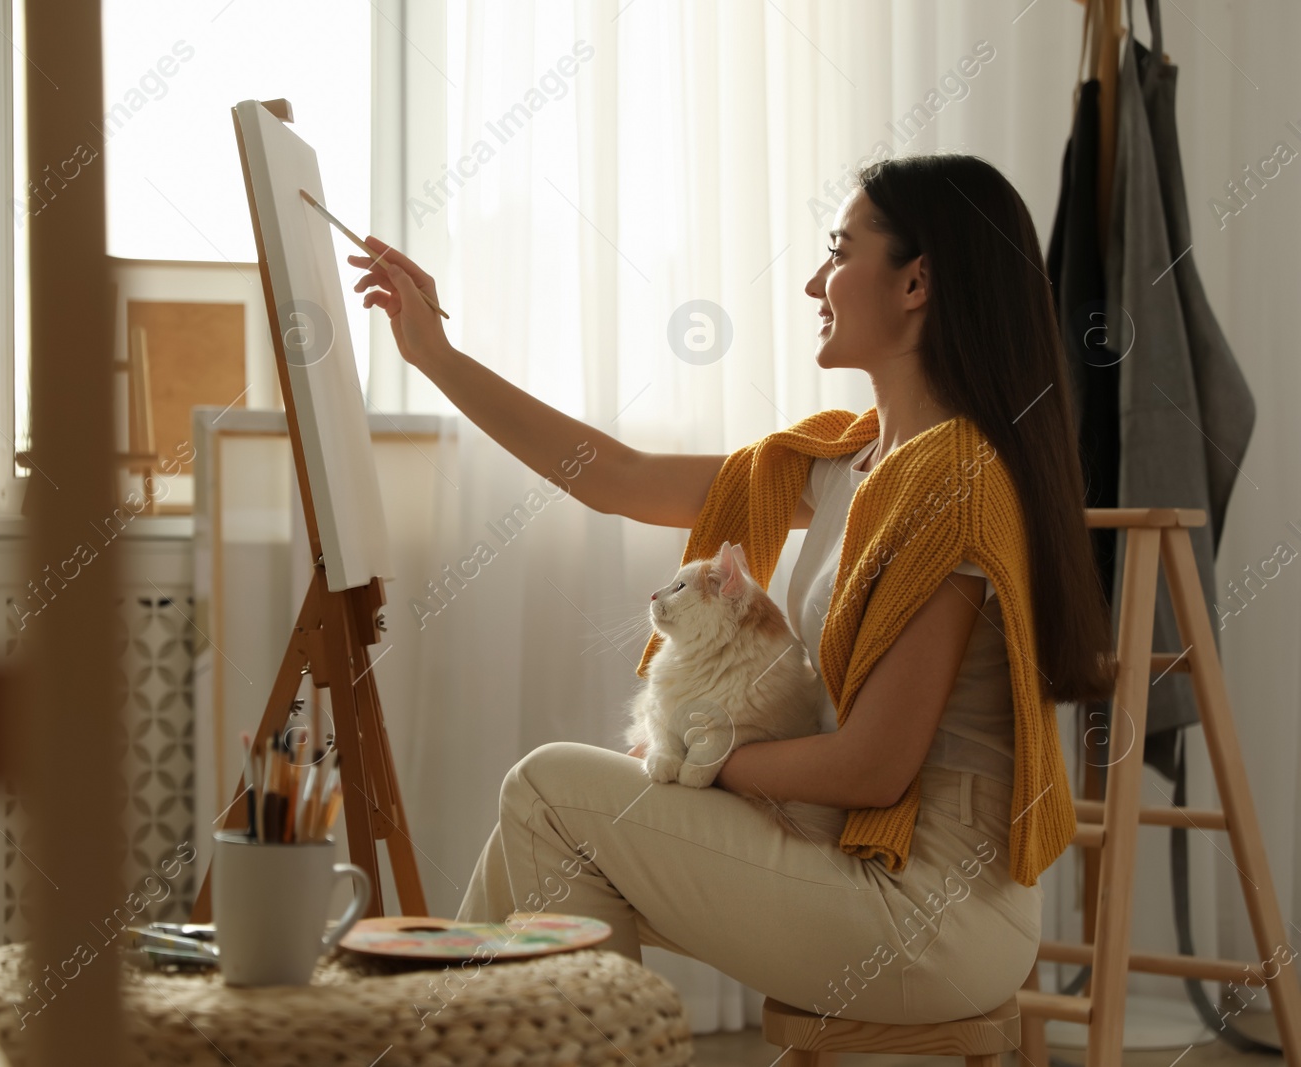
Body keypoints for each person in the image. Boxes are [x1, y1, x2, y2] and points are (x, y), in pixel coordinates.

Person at [349, 153, 1114, 1023]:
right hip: (852, 865)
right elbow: (616, 475)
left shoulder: (955, 484)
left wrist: (700, 763)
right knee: (539, 839)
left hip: (930, 912)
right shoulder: (852, 463)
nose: (813, 282)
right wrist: (434, 355)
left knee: (550, 791)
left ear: (917, 282)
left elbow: (874, 765)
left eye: (839, 249)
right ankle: (440, 1034)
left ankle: (455, 1035)